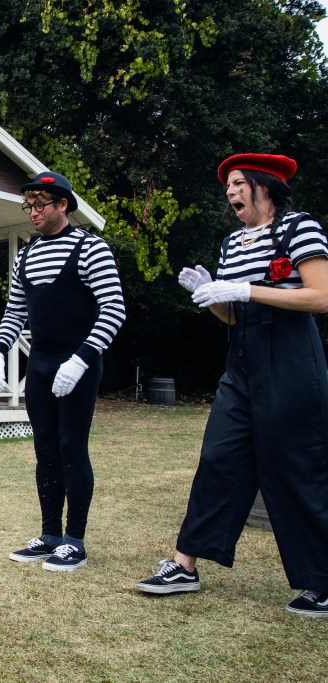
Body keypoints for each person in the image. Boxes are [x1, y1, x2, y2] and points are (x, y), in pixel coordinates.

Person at [136, 153, 328, 617]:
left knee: (294, 469)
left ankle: (320, 582)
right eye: (227, 187)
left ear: (265, 185)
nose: (230, 192)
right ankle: (185, 564)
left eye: (239, 183)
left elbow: (321, 297)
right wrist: (209, 294)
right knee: (218, 459)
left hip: (291, 360)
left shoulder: (300, 227)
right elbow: (231, 314)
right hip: (241, 361)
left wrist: (245, 289)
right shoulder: (231, 243)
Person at [0, 171, 125, 572]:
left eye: (39, 205)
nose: (32, 212)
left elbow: (114, 309)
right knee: (44, 449)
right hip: (42, 364)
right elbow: (16, 310)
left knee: (71, 447)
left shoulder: (90, 248)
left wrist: (82, 358)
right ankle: (49, 535)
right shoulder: (25, 255)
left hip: (78, 363)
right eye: (27, 205)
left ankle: (74, 541)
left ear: (63, 205)